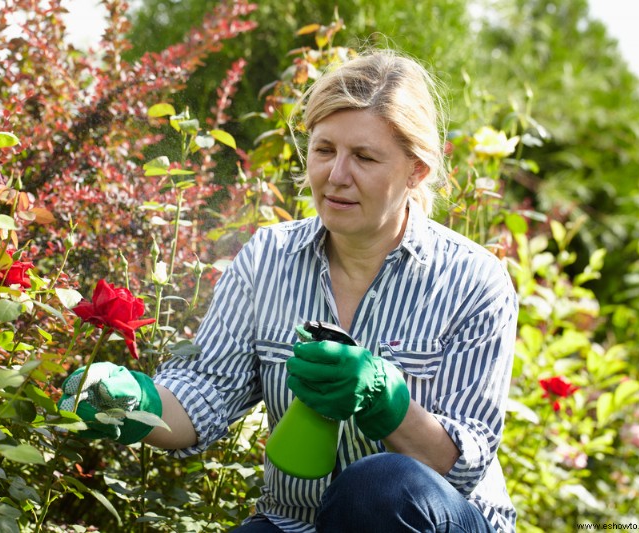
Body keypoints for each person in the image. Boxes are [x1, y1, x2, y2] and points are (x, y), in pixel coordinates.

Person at [59, 49, 518, 532]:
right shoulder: (269, 258)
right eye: (324, 150)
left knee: (380, 485)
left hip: (431, 520)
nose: (336, 176)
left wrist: (390, 405)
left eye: (364, 156)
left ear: (416, 171)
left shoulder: (473, 282)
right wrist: (134, 402)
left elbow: (463, 466)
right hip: (297, 522)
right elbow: (205, 393)